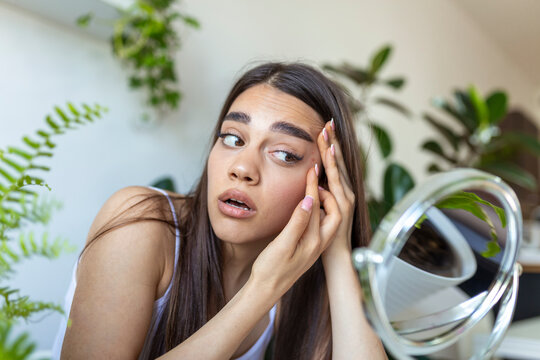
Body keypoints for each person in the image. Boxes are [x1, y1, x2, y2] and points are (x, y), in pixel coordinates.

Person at [53, 62, 387, 359]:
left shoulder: (299, 283)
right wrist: (261, 289)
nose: (242, 167)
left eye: (284, 154)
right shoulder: (139, 224)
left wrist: (338, 254)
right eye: (233, 138)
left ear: (325, 186)